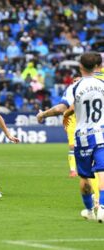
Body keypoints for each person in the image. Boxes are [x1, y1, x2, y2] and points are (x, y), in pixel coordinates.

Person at [37, 52, 104, 222]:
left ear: (80, 67)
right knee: (103, 171)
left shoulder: (74, 87)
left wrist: (43, 114)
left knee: (85, 178)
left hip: (82, 136)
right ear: (97, 66)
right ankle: (102, 206)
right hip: (101, 132)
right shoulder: (102, 84)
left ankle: (90, 210)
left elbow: (60, 109)